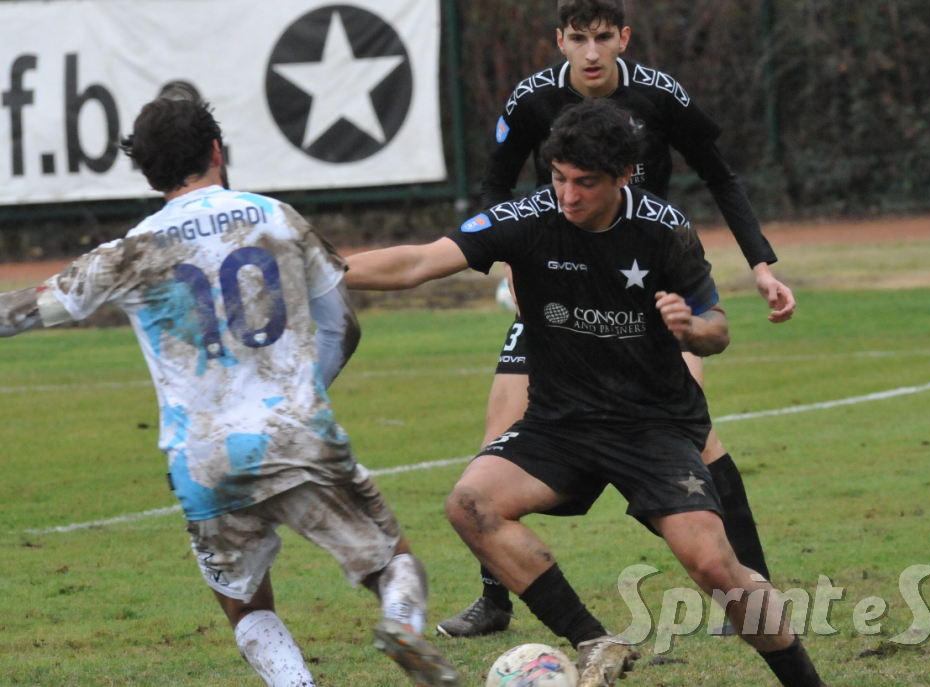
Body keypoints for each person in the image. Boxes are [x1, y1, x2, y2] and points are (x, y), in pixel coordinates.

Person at [345, 100, 826, 687]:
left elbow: (717, 329)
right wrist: (312, 268)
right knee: (470, 505)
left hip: (654, 424)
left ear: (623, 177)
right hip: (560, 422)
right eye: (558, 178)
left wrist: (690, 329)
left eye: (585, 183)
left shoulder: (662, 229)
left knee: (715, 567)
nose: (568, 196)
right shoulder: (527, 218)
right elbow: (418, 262)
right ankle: (595, 640)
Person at [0, 91, 460, 687]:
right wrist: (304, 393)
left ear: (146, 171)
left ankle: (295, 684)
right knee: (392, 562)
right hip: (298, 433)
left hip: (205, 457)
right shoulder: (277, 217)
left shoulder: (129, 252)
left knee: (244, 603)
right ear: (216, 150)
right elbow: (342, 323)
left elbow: (28, 310)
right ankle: (402, 624)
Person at [444, 0, 791, 637]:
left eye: (605, 37)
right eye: (579, 39)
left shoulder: (660, 96)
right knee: (498, 430)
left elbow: (720, 176)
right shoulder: (530, 99)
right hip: (560, 286)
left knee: (695, 434)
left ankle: (749, 590)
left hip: (649, 291)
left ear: (623, 37)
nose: (593, 52)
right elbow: (495, 186)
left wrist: (760, 265)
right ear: (561, 41)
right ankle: (496, 598)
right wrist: (512, 264)